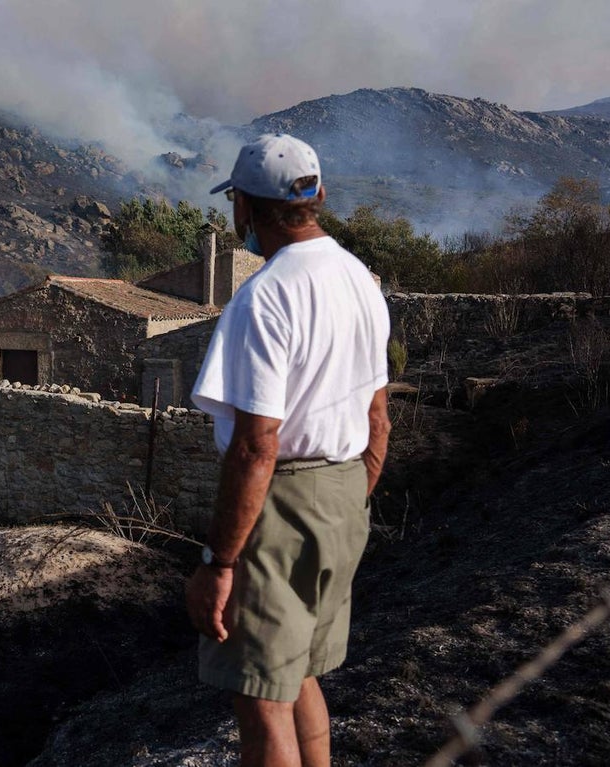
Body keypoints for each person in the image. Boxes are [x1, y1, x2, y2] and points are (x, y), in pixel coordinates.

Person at [186, 133, 391, 767]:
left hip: (281, 508)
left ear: (242, 208)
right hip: (342, 496)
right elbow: (378, 416)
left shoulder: (264, 297)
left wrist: (220, 563)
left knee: (261, 702)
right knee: (300, 674)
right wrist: (351, 502)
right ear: (318, 196)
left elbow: (256, 445)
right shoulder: (358, 278)